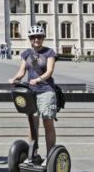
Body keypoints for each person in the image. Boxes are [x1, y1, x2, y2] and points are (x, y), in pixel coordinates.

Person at [8, 25, 59, 158]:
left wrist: (38, 79)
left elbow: (49, 71)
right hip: (31, 93)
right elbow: (22, 71)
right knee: (32, 124)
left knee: (47, 123)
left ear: (43, 38)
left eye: (39, 37)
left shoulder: (49, 53)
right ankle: (32, 154)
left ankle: (50, 156)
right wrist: (15, 78)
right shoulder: (26, 53)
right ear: (30, 39)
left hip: (46, 91)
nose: (36, 39)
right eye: (33, 37)